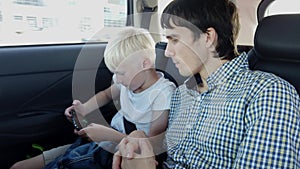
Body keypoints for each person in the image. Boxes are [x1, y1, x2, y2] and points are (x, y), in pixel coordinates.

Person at [113, 0, 300, 168]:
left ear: (208, 37)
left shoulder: (267, 93)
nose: (167, 52)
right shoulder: (182, 93)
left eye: (174, 39)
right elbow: (170, 149)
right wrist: (139, 139)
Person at [10, 27, 176, 169]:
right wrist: (84, 109)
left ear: (145, 64)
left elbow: (152, 145)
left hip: (125, 151)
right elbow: (106, 94)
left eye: (121, 73)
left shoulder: (162, 94)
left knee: (68, 162)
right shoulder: (127, 81)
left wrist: (108, 135)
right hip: (107, 138)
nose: (117, 79)